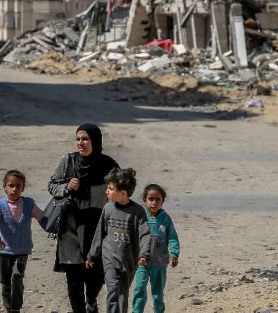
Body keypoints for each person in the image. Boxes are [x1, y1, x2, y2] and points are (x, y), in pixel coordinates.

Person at [48, 123, 119, 313]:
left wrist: (110, 195)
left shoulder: (108, 165)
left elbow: (122, 190)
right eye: (78, 139)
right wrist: (66, 187)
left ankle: (91, 300)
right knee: (73, 275)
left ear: (95, 141)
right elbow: (52, 185)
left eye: (85, 139)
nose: (81, 143)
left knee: (97, 275)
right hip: (71, 226)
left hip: (98, 227)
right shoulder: (68, 161)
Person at [86, 167, 151, 313]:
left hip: (129, 262)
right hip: (110, 259)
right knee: (113, 289)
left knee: (123, 295)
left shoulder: (137, 212)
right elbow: (99, 233)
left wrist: (144, 254)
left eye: (110, 188)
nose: (106, 191)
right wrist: (92, 254)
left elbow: (145, 234)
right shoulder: (108, 208)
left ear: (123, 193)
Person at [0, 170, 45, 313]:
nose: (14, 189)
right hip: (4, 250)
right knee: (6, 282)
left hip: (22, 250)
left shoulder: (29, 204)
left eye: (18, 186)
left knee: (17, 277)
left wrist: (55, 226)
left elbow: (43, 218)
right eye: (11, 185)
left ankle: (16, 308)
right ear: (4, 187)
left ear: (23, 188)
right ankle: (8, 307)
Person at [132, 184, 180, 313]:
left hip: (159, 263)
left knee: (157, 294)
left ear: (162, 201)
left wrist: (174, 254)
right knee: (139, 289)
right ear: (144, 200)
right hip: (142, 262)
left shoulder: (165, 219)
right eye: (151, 199)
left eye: (157, 199)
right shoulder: (141, 217)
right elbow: (133, 238)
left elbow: (173, 238)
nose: (154, 202)